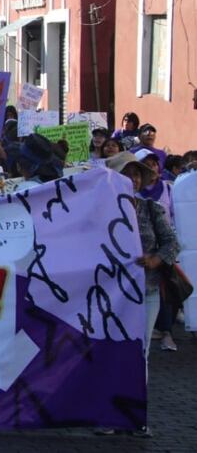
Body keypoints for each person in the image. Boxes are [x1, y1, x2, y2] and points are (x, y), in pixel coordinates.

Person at [104, 152, 181, 435]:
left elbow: (172, 244)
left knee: (140, 352)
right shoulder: (101, 211)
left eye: (137, 174)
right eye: (127, 174)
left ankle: (135, 415)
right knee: (111, 351)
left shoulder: (151, 209)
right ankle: (112, 415)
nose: (133, 179)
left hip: (146, 292)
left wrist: (155, 260)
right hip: (111, 294)